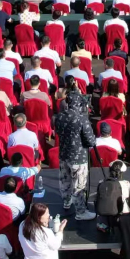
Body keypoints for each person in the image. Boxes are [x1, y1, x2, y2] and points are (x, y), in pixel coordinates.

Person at [53, 89, 96, 220]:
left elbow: (58, 133)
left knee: (65, 181)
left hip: (64, 154)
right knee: (79, 185)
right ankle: (80, 212)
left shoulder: (59, 116)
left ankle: (67, 201)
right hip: (78, 158)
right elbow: (91, 141)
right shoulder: (82, 119)